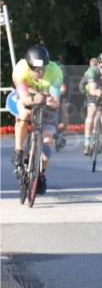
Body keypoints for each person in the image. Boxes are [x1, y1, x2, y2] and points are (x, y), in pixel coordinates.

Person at [7, 45, 63, 195]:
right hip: (28, 95)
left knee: (47, 141)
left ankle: (41, 174)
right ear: (28, 66)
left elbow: (56, 102)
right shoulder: (20, 70)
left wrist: (48, 99)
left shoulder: (55, 72)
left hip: (46, 102)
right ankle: (18, 151)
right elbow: (24, 97)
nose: (39, 73)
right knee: (24, 114)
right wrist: (33, 99)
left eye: (42, 69)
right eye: (35, 69)